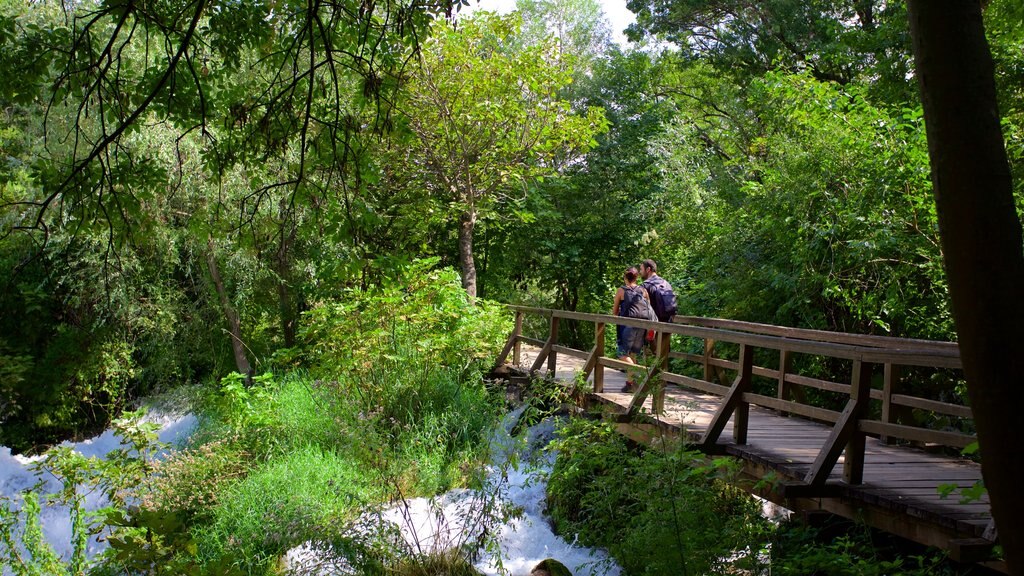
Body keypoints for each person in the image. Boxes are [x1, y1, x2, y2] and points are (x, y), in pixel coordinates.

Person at [613, 266, 651, 392]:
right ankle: (630, 384)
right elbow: (649, 309)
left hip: (627, 325)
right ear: (637, 277)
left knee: (622, 353)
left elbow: (614, 312)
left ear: (625, 277)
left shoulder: (621, 290)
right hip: (642, 325)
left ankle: (637, 375)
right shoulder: (643, 291)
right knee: (633, 354)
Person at [640, 259, 678, 355]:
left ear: (648, 269)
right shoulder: (666, 283)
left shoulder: (645, 285)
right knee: (663, 355)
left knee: (655, 355)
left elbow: (641, 307)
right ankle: (661, 369)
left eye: (641, 269)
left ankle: (653, 369)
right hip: (667, 322)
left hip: (653, 326)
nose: (640, 272)